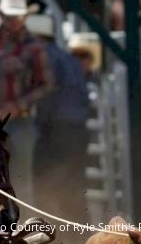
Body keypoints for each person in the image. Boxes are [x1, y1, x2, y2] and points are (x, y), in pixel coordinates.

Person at [0, 0, 53, 220]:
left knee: (19, 179)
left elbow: (46, 84)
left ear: (25, 17)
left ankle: (23, 226)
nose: (13, 21)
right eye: (9, 16)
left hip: (18, 122)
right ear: (3, 15)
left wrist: (17, 105)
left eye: (17, 16)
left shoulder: (33, 45)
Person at [27, 15, 91, 243]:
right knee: (74, 186)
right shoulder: (68, 58)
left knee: (45, 183)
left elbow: (46, 93)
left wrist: (39, 122)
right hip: (77, 129)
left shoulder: (43, 56)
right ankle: (80, 236)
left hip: (56, 130)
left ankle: (52, 236)